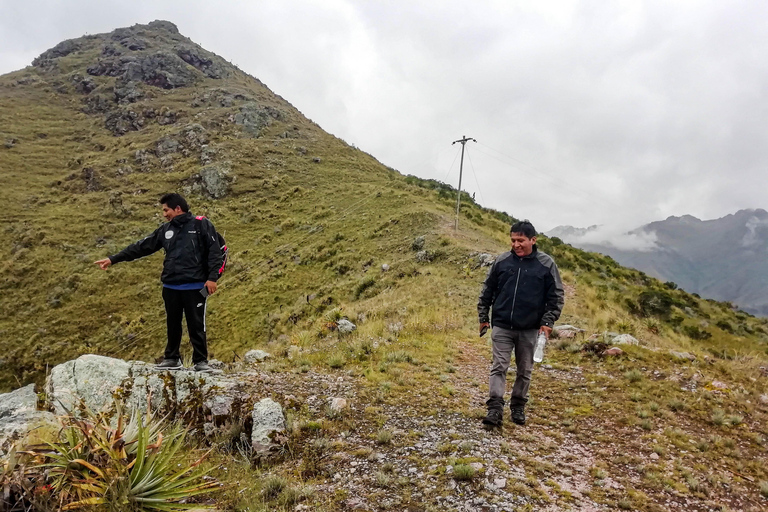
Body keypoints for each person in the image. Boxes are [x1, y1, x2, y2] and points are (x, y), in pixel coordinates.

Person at [95, 193, 224, 372]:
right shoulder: (165, 230)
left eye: (166, 210)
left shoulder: (201, 224)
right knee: (173, 323)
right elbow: (141, 247)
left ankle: (200, 361)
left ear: (178, 208)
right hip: (170, 286)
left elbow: (215, 252)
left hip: (196, 287)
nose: (164, 214)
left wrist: (212, 279)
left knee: (196, 324)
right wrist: (113, 259)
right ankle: (171, 359)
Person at [477, 220, 564, 427]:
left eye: (521, 240)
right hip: (502, 325)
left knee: (525, 370)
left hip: (530, 328)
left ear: (533, 240)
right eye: (513, 240)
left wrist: (548, 321)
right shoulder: (502, 261)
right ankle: (495, 409)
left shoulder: (546, 264)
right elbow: (487, 290)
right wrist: (483, 317)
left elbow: (556, 296)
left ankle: (518, 405)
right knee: (499, 366)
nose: (516, 245)